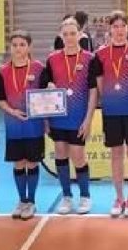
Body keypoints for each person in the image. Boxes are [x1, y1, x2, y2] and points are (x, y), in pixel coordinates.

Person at [92, 10, 128, 218]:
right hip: (111, 112)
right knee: (116, 154)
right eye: (115, 26)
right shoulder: (100, 54)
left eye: (122, 26)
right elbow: (99, 82)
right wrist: (111, 98)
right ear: (110, 29)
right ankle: (118, 197)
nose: (119, 30)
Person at [41, 18, 98, 215]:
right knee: (60, 154)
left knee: (78, 156)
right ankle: (66, 196)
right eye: (65, 34)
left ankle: (85, 196)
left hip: (78, 116)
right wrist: (49, 87)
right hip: (58, 116)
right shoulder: (52, 59)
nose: (69, 37)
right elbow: (45, 88)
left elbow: (93, 91)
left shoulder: (90, 58)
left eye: (73, 33)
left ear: (80, 35)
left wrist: (88, 119)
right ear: (60, 36)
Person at [0, 31, 46, 221]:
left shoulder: (39, 68)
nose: (18, 48)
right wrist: (12, 111)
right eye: (14, 45)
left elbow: (47, 95)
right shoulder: (2, 71)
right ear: (10, 48)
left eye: (22, 44)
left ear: (29, 47)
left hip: (34, 125)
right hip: (13, 125)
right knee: (18, 163)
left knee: (31, 162)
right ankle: (21, 200)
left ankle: (31, 201)